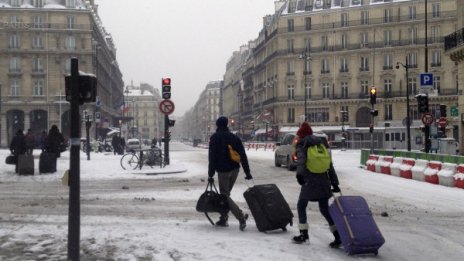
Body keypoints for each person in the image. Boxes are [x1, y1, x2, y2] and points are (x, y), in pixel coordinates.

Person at [292, 122, 342, 248]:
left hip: (310, 180)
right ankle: (338, 235)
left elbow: (301, 161)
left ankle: (304, 234)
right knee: (325, 209)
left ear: (302, 134)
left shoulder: (302, 144)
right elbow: (329, 165)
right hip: (324, 181)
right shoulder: (321, 143)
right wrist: (335, 183)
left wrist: (299, 175)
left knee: (301, 205)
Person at [208, 116, 252, 231]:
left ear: (217, 125)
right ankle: (223, 218)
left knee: (225, 196)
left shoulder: (215, 138)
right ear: (227, 124)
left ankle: (240, 217)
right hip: (235, 170)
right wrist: (247, 172)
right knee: (225, 196)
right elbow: (242, 155)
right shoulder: (234, 137)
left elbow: (212, 157)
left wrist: (210, 174)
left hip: (223, 171)